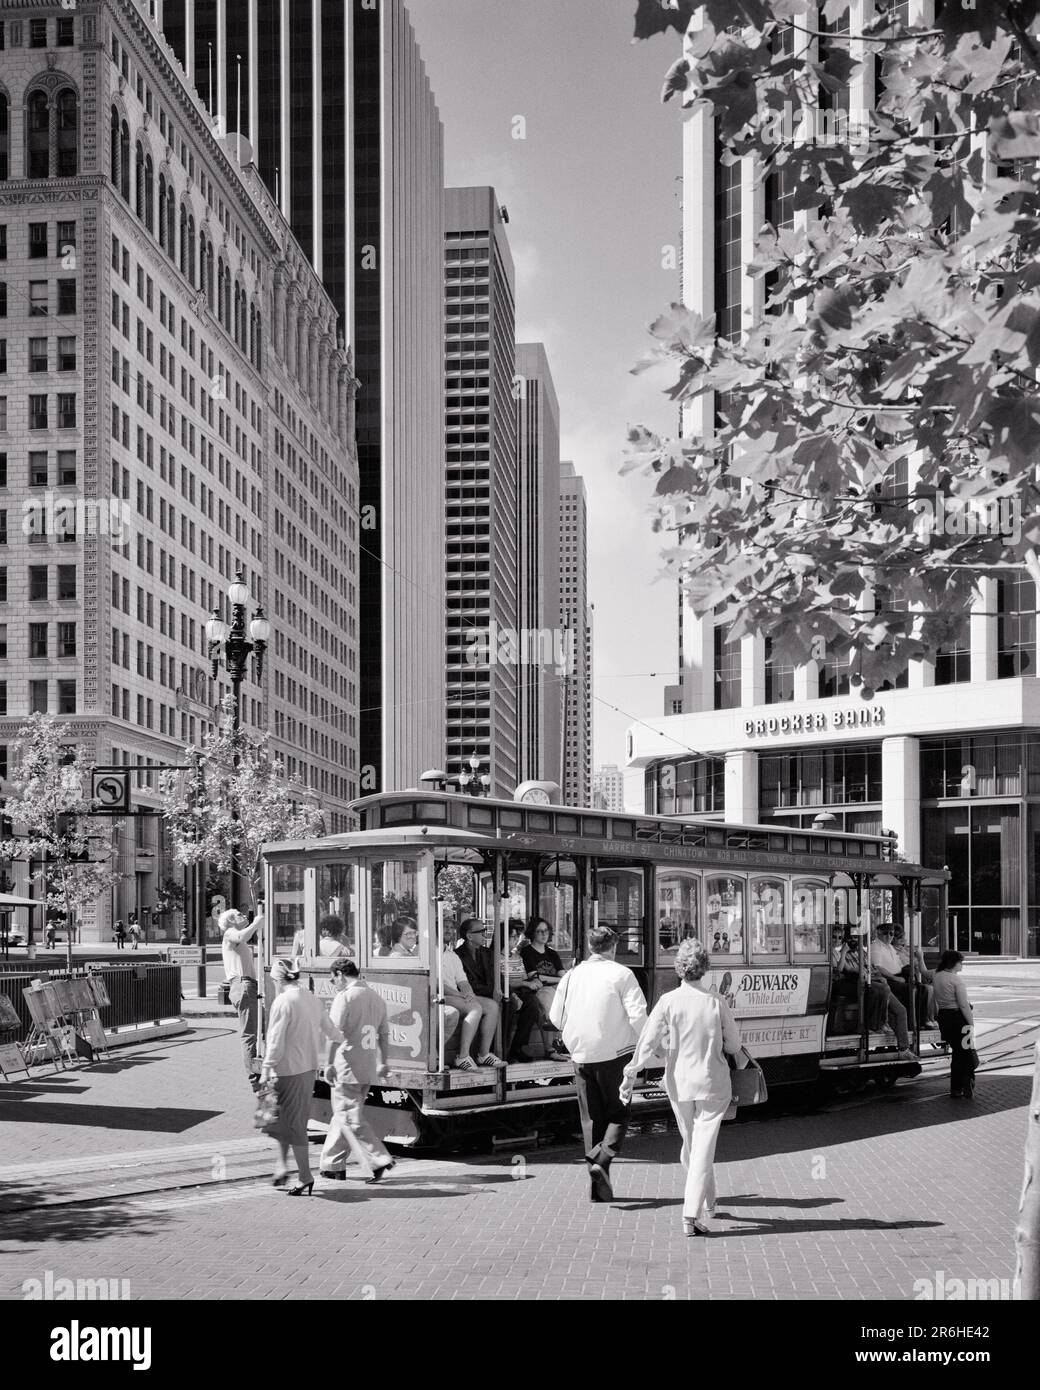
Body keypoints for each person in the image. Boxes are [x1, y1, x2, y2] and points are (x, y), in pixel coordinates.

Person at [621, 938, 743, 1236]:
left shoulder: (668, 1001)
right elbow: (735, 1044)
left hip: (679, 1082)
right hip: (713, 1083)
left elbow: (647, 1040)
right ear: (705, 969)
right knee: (702, 1146)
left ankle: (710, 1203)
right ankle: (691, 1215)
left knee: (693, 1145)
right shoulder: (716, 1002)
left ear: (679, 969)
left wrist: (631, 1071)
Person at [549, 924, 648, 1202]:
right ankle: (601, 1161)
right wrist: (653, 1046)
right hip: (615, 1054)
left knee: (591, 1119)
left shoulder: (571, 976)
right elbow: (638, 1016)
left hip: (580, 1055)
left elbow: (556, 1017)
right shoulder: (622, 974)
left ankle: (598, 1191)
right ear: (613, 948)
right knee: (619, 1114)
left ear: (591, 947)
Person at [261, 958, 341, 1195]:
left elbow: (274, 1041)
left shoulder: (283, 1001)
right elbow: (331, 1029)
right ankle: (282, 1167)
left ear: (278, 978)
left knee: (291, 1124)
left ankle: (305, 1176)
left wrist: (266, 1068)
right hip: (307, 1069)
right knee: (285, 1121)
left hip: (286, 1070)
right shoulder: (311, 998)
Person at [319, 960, 397, 1184]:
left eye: (333, 978)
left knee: (350, 1118)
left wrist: (329, 1064)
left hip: (348, 1065)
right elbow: (384, 1034)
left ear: (340, 974)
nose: (333, 983)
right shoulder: (377, 998)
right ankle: (332, 1164)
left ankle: (379, 1158)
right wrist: (384, 1062)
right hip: (367, 1067)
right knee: (343, 1115)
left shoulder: (345, 997)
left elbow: (333, 1033)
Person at [440, 930, 501, 1070]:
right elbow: (436, 983)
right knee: (475, 1008)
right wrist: (459, 994)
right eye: (445, 926)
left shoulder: (452, 955)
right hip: (438, 996)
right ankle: (462, 1056)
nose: (448, 930)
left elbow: (462, 981)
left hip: (454, 995)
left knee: (491, 1006)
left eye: (450, 926)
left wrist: (469, 993)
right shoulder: (430, 953)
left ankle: (483, 1054)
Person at [221, 907, 263, 1090]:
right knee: (249, 1033)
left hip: (246, 985)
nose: (243, 915)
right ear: (230, 921)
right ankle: (254, 1078)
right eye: (238, 914)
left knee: (254, 1029)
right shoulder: (230, 933)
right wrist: (255, 924)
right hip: (243, 985)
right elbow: (240, 937)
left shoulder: (237, 934)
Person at [455, 918, 506, 1066]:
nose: (485, 935)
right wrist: (492, 992)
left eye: (486, 931)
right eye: (481, 932)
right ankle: (481, 1053)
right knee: (493, 1005)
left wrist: (499, 990)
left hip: (488, 993)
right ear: (469, 936)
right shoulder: (458, 955)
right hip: (473, 994)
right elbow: (468, 982)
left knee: (511, 1003)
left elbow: (496, 977)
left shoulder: (487, 953)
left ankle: (506, 1051)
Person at [933, 950, 978, 1099]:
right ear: (954, 963)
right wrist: (970, 1023)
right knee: (966, 1052)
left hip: (944, 1018)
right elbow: (964, 1005)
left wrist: (920, 958)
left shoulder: (936, 976)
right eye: (961, 962)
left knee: (957, 1053)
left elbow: (923, 972)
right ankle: (967, 1083)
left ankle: (956, 1088)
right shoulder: (956, 980)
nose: (962, 965)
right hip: (959, 1019)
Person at [520, 919, 568, 1057]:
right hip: (538, 989)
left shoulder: (552, 953)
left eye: (546, 930)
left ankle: (566, 1041)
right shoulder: (527, 952)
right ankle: (551, 1048)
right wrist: (559, 980)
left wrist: (562, 979)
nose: (544, 934)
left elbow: (562, 974)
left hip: (556, 989)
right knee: (548, 997)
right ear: (533, 933)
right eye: (540, 931)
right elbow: (536, 977)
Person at [503, 921, 545, 1062]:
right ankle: (503, 1050)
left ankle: (518, 1046)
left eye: (516, 936)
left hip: (521, 990)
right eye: (512, 936)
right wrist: (525, 983)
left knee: (533, 1005)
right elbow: (503, 982)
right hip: (506, 992)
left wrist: (533, 982)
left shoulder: (518, 958)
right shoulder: (495, 957)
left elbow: (523, 977)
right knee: (510, 1005)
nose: (516, 939)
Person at [891, 924, 938, 1028]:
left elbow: (922, 969)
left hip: (918, 976)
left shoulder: (906, 950)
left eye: (903, 936)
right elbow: (904, 967)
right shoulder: (893, 951)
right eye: (899, 937)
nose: (903, 939)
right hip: (906, 977)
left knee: (933, 988)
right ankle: (926, 1018)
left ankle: (932, 1017)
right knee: (928, 989)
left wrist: (921, 958)